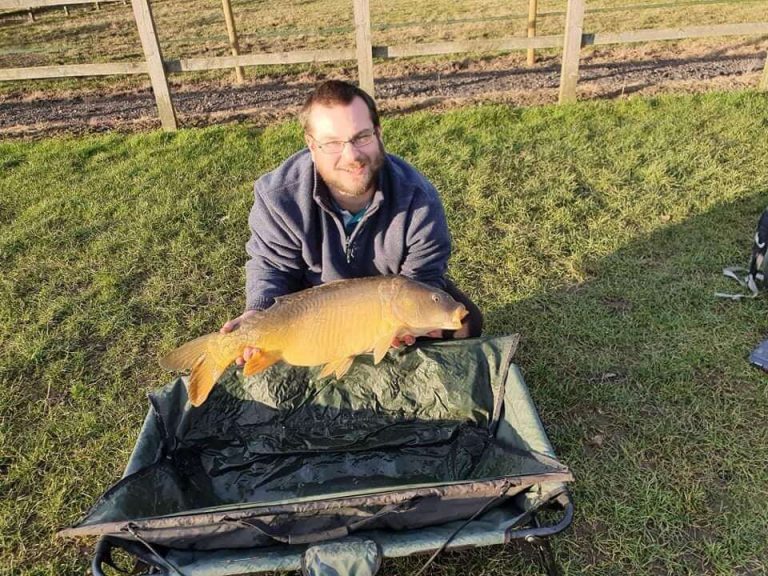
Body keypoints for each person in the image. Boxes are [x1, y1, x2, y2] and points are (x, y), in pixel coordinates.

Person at [221, 79, 483, 366]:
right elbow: (273, 267)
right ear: (311, 145)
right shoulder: (279, 196)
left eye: (362, 137)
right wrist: (256, 312)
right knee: (282, 348)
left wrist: (405, 328)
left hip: (386, 299)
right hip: (312, 301)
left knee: (466, 324)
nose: (352, 156)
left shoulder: (418, 199)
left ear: (379, 134)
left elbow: (422, 275)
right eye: (332, 143)